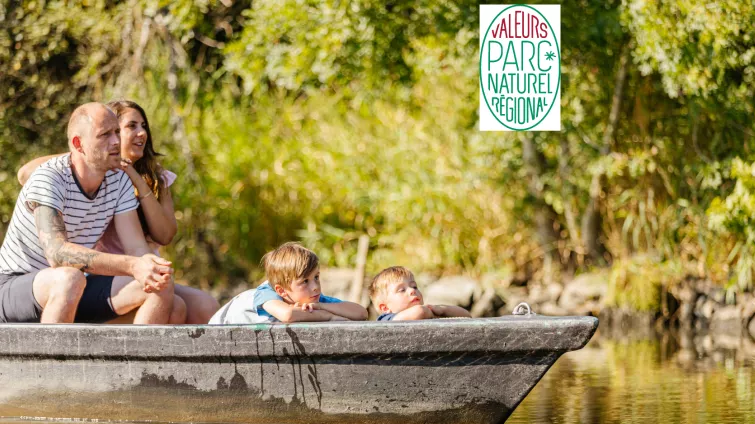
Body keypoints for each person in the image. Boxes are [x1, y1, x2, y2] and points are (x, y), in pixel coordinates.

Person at [17, 100, 219, 324]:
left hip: (119, 273)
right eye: (131, 126)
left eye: (143, 126)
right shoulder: (66, 173)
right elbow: (25, 174)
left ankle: (136, 358)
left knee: (198, 303)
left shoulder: (144, 178)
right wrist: (86, 153)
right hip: (86, 274)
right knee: (71, 280)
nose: (141, 132)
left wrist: (135, 177)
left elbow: (163, 236)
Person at [209, 242, 367, 324]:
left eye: (316, 277)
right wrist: (329, 317)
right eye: (305, 281)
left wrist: (322, 306)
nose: (315, 286)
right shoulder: (267, 293)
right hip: (217, 335)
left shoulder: (313, 300)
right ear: (282, 291)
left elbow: (361, 313)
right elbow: (288, 314)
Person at [368, 266, 471, 321]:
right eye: (402, 290)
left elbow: (466, 315)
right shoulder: (387, 320)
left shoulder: (426, 312)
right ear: (385, 308)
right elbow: (420, 311)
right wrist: (431, 314)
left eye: (414, 286)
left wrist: (443, 310)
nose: (412, 290)